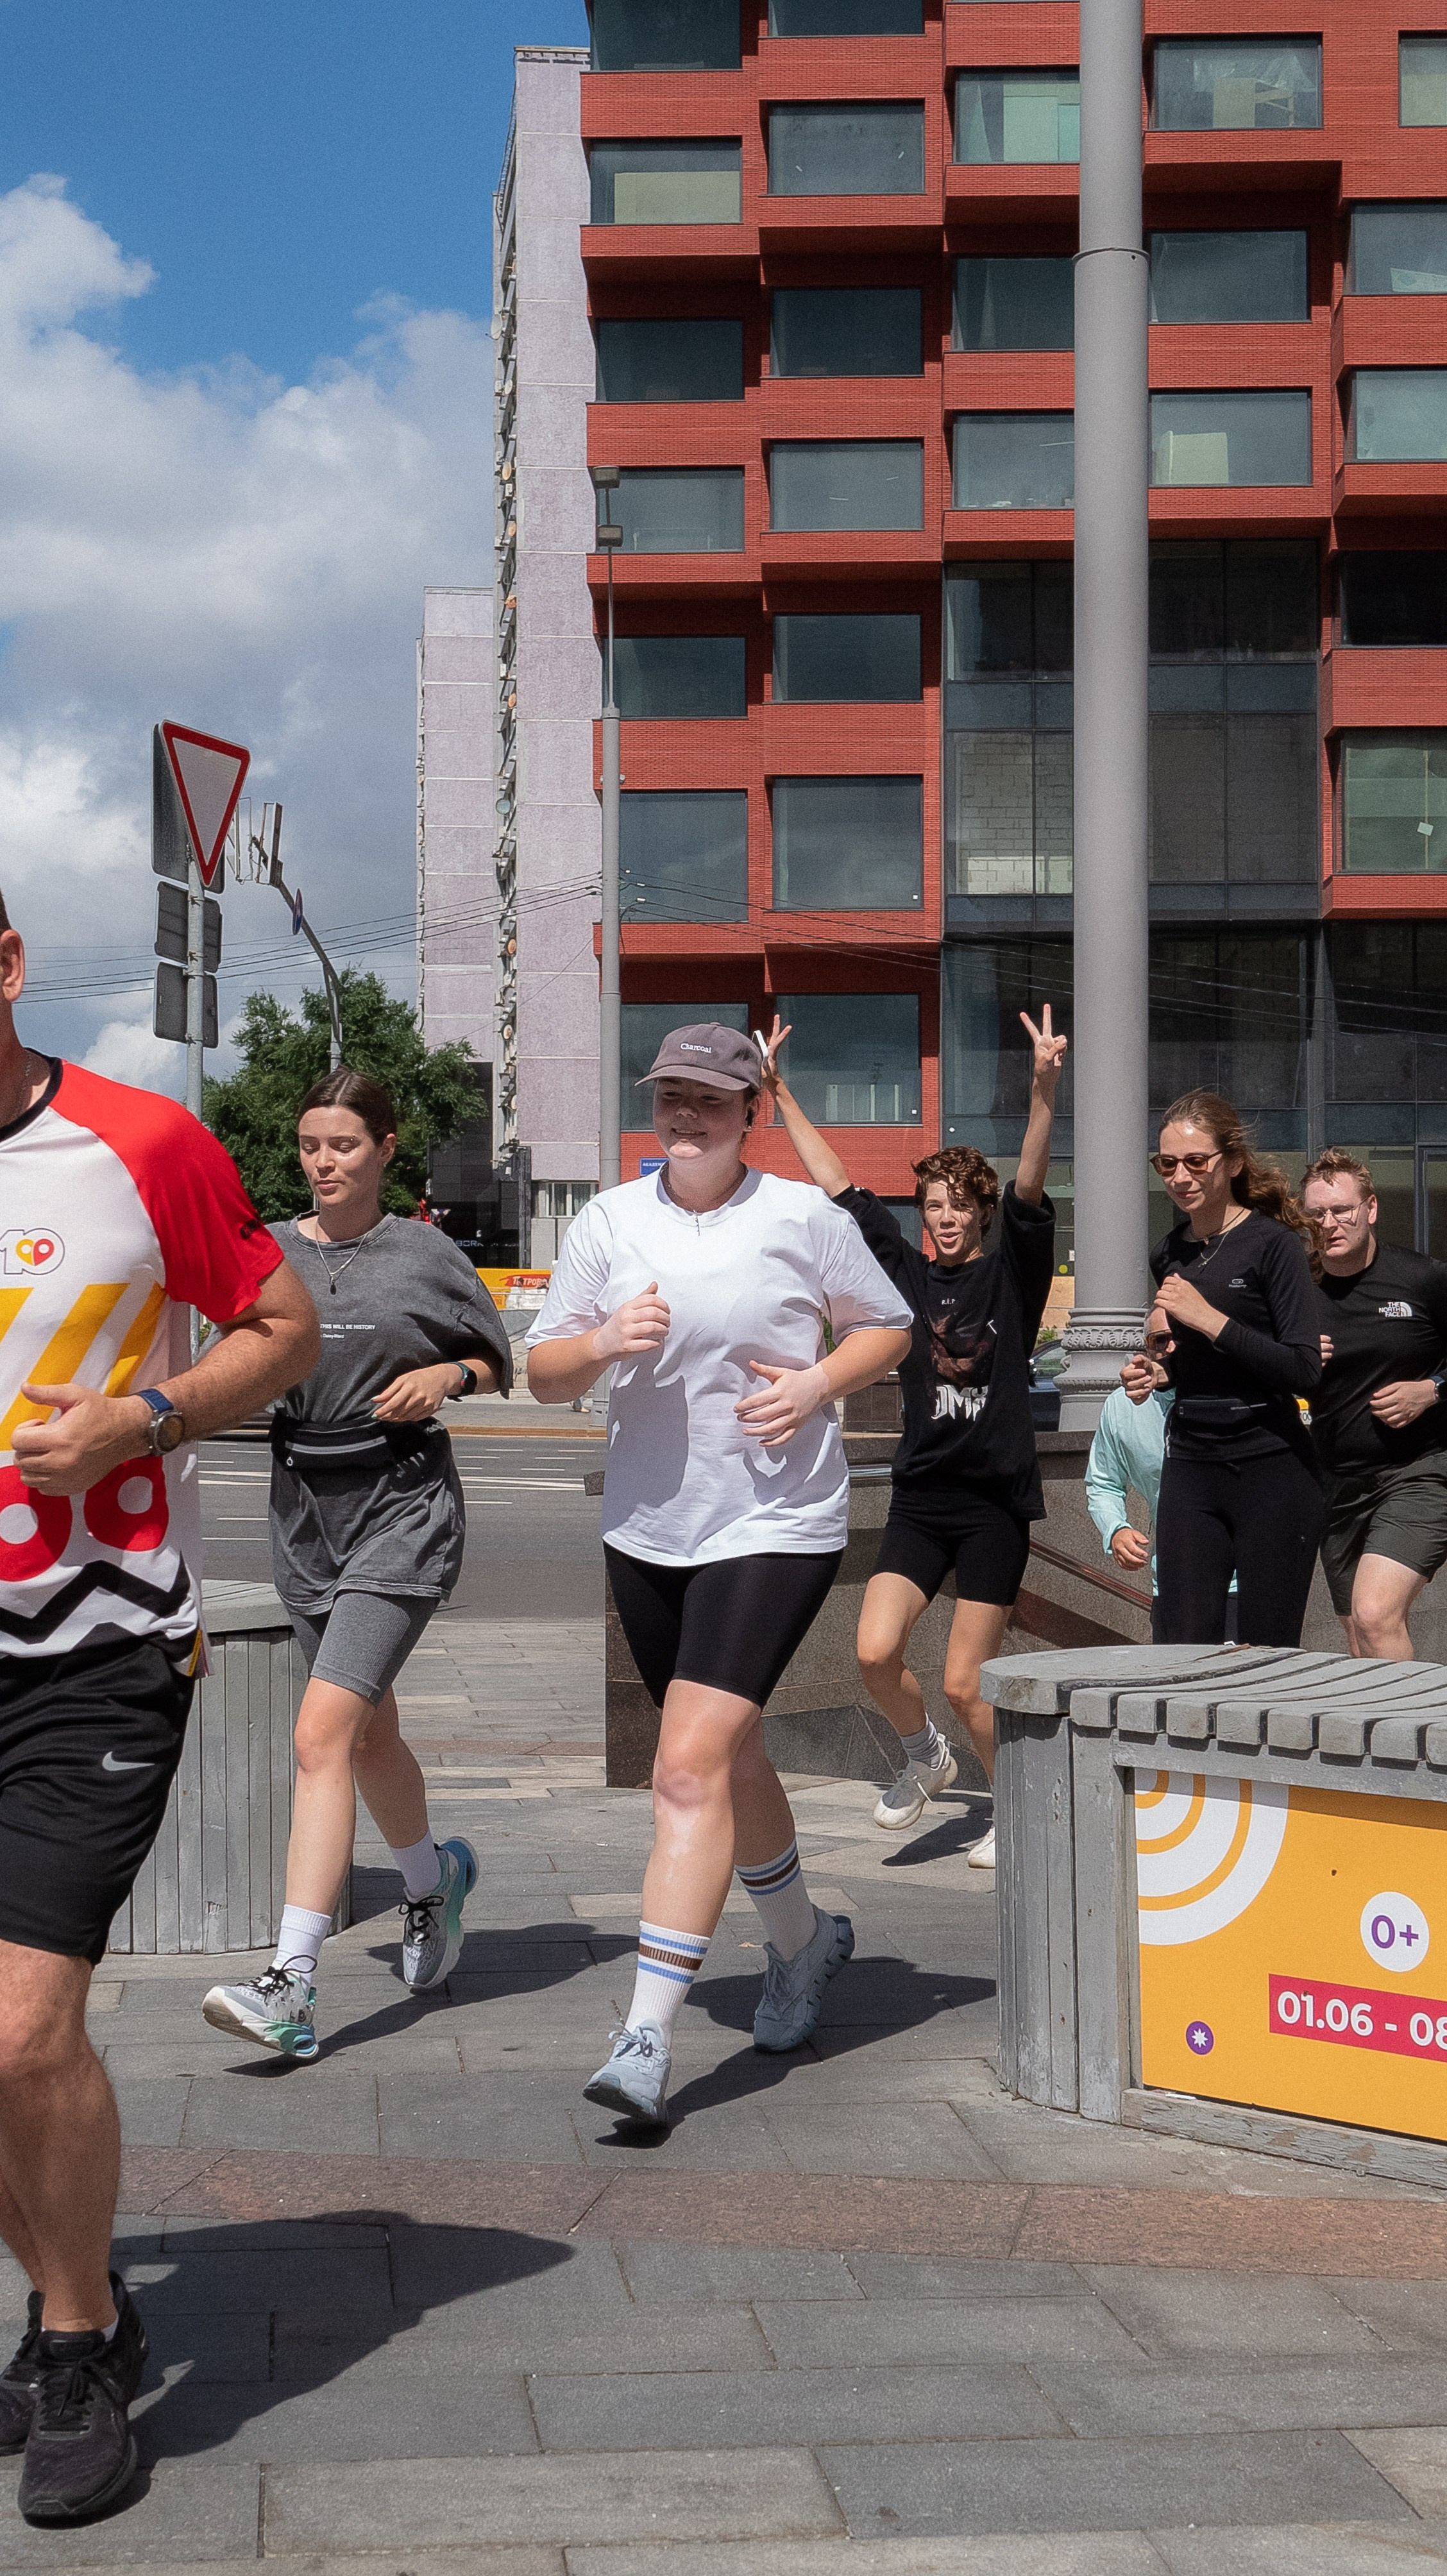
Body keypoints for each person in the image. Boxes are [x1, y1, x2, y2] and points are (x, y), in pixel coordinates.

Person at [0, 891, 319, 2525]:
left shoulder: (145, 1143)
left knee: (20, 2021)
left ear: (4, 968)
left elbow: (285, 1327)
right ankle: (95, 2295)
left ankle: (71, 2342)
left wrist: (140, 1414)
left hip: (92, 1646)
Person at [527, 1022, 912, 2128]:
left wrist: (816, 1386)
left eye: (708, 1095)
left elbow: (889, 1325)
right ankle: (804, 1940)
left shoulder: (800, 1217)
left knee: (685, 1767)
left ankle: (644, 2038)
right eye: (670, 1094)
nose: (685, 1112)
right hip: (650, 1527)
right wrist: (602, 1343)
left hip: (777, 1521)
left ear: (750, 1107)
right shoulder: (610, 1220)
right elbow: (546, 1374)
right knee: (728, 1751)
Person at [202, 1070, 512, 2062]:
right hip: (304, 1519)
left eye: (343, 1145)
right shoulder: (273, 1254)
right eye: (310, 1146)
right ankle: (434, 1887)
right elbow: (232, 1360)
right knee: (368, 1734)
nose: (324, 1163)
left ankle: (290, 1984)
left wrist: (448, 1373)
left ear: (384, 1149)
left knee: (321, 1732)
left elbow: (496, 1361)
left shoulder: (424, 1253)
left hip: (404, 1512)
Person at [763, 1008, 1067, 1872]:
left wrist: (1044, 1089)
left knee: (971, 1679)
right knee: (872, 1651)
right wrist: (780, 1090)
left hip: (995, 1504)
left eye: (958, 1206)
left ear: (980, 1213)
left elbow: (1034, 1184)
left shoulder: (1013, 1271)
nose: (943, 1218)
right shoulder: (900, 1271)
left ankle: (1019, 1808)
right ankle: (924, 1755)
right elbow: (837, 1187)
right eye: (932, 1204)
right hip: (923, 1496)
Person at [1121, 1090, 1323, 1647]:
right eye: (1167, 1163)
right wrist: (1160, 1372)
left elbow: (1304, 1367)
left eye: (1195, 1161)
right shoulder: (1170, 1252)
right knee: (1182, 1645)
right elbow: (1202, 1365)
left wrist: (1210, 1319)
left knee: (1268, 1651)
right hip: (1192, 1462)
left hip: (1272, 1467)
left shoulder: (1272, 1245)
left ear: (1231, 1163)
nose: (1179, 1176)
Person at [1301, 1148, 1447, 1660]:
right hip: (1337, 1483)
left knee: (1375, 1615)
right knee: (1360, 1638)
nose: (1330, 1224)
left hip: (1419, 1471)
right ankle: (1379, 1740)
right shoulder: (1299, 1291)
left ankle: (1420, 1741)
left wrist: (1431, 1391)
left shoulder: (1422, 1278)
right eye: (1317, 1214)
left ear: (1370, 1208)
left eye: (1342, 1210)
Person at [1085, 1379, 1238, 1643]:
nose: (1169, 1346)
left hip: (1242, 1580)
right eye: (1158, 1339)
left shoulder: (1234, 1390)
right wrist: (1116, 1529)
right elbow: (1103, 1482)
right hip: (1171, 1580)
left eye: (1177, 1337)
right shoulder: (1122, 1407)